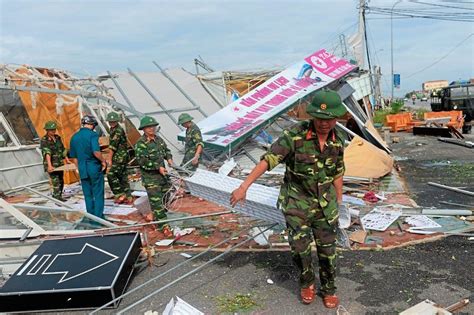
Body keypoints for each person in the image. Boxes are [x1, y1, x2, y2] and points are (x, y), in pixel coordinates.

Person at [230, 89, 346, 308]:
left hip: (325, 207)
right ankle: (307, 284)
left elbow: (338, 172)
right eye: (319, 119)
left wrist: (339, 202)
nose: (323, 123)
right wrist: (244, 186)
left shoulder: (338, 141)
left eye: (328, 119)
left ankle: (329, 289)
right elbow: (269, 159)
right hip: (297, 204)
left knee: (328, 251)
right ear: (313, 116)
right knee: (300, 250)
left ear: (335, 118)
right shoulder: (294, 135)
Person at [134, 116, 174, 238]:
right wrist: (158, 167)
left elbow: (166, 150)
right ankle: (164, 227)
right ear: (143, 129)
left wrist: (169, 159)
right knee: (157, 203)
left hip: (163, 177)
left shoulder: (159, 139)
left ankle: (153, 216)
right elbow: (143, 162)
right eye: (148, 127)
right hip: (151, 179)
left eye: (153, 126)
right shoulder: (141, 144)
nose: (151, 129)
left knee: (167, 197)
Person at [69, 115, 107, 218]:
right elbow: (96, 152)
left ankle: (91, 216)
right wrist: (103, 161)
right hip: (93, 167)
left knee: (88, 194)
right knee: (98, 192)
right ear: (92, 125)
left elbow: (74, 157)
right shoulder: (92, 135)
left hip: (82, 169)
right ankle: (99, 216)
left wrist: (79, 167)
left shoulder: (74, 137)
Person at [105, 111, 133, 204]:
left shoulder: (117, 130)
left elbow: (113, 146)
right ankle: (128, 196)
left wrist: (109, 159)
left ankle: (120, 194)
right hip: (121, 156)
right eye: (110, 121)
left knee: (111, 174)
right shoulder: (113, 129)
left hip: (119, 157)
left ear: (117, 121)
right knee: (122, 176)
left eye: (113, 121)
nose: (111, 123)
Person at [40, 120, 69, 201]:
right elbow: (47, 153)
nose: (53, 131)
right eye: (51, 130)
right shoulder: (44, 140)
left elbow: (62, 149)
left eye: (54, 129)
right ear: (47, 130)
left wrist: (66, 159)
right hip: (51, 164)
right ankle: (57, 198)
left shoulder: (57, 138)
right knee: (55, 181)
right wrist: (49, 165)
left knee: (61, 180)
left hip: (59, 163)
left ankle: (58, 195)